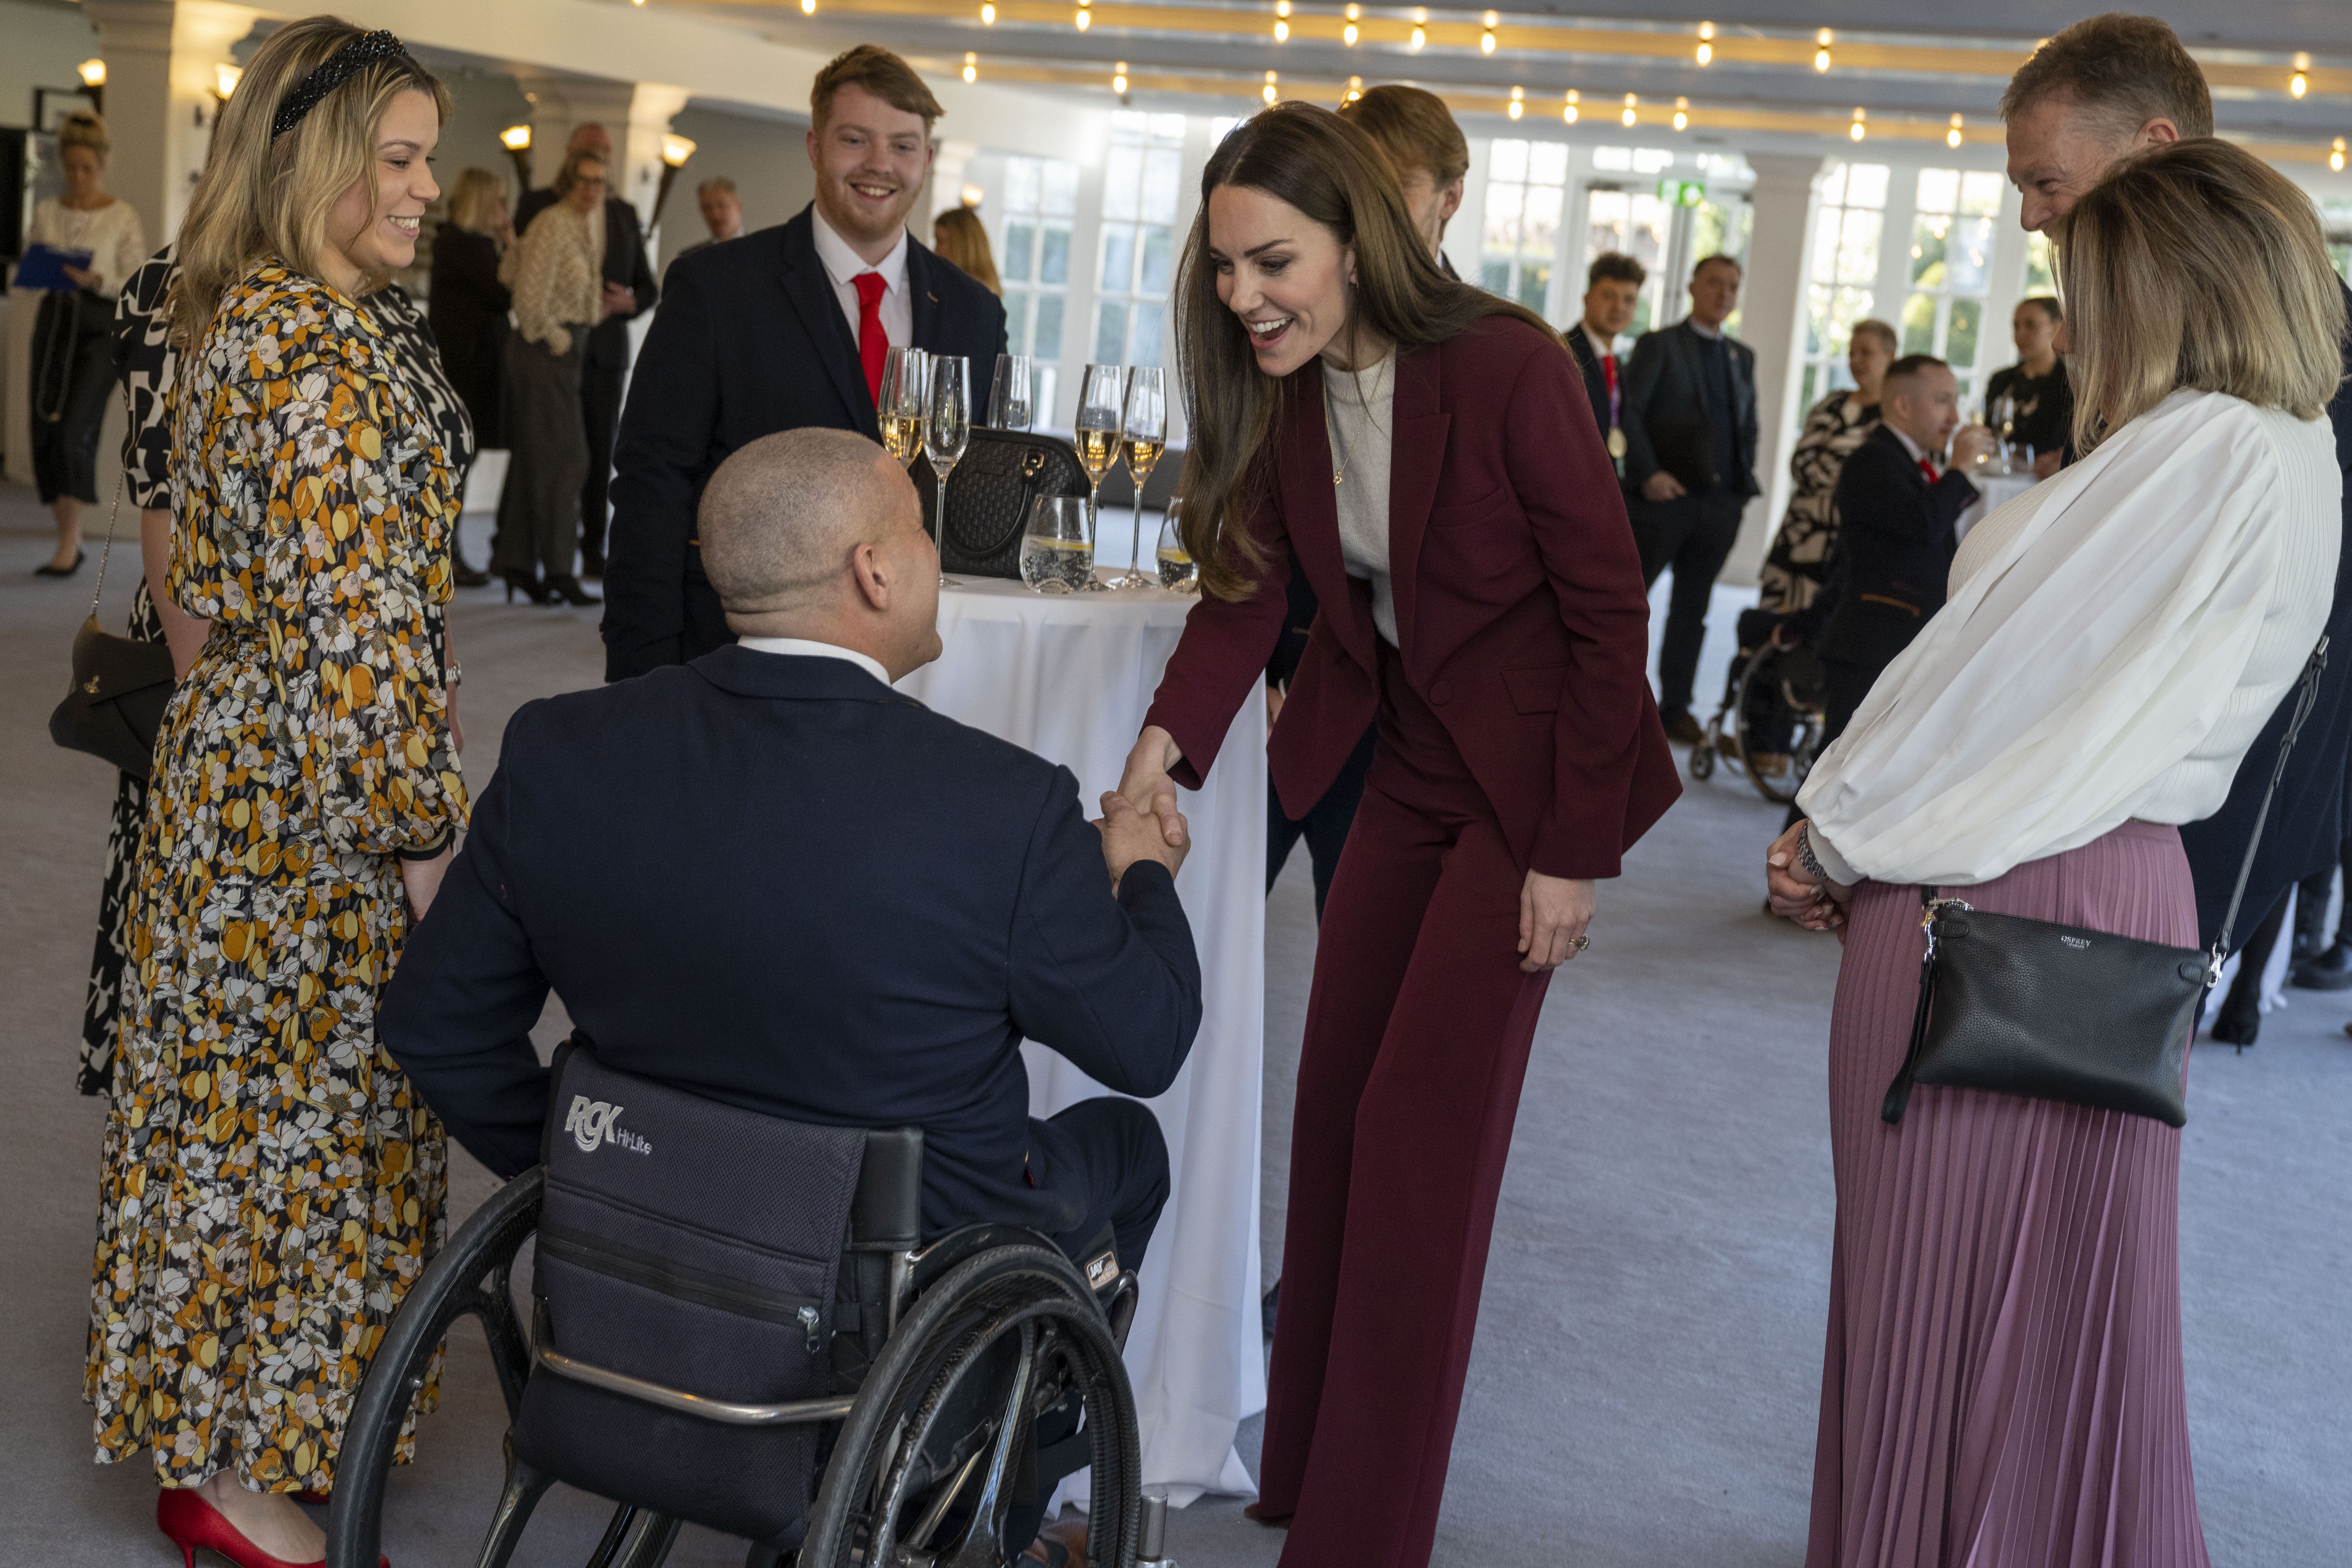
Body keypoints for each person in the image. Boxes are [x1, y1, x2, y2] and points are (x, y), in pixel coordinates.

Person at [378, 427, 1201, 1559]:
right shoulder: (1000, 812)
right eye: (918, 529)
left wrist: (592, 1169)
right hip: (891, 1302)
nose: (924, 555)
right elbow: (1148, 1038)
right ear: (874, 570)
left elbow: (431, 1021)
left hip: (647, 1269)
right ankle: (983, 1504)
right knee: (1129, 1145)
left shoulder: (564, 751)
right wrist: (1142, 875)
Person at [1115, 104, 1678, 1568]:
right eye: (1226, 266)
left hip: (1531, 784)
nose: (1243, 297)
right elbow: (1242, 597)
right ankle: (1301, 1466)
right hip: (1409, 761)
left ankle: (1364, 1535)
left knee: (1423, 1139)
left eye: (1273, 263)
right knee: (1337, 1109)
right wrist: (1157, 755)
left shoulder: (1504, 366)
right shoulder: (1284, 387)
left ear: (1359, 244)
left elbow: (1607, 606)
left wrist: (1571, 851)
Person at [1770, 137, 2344, 1568]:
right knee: (2057, 1312)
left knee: (1936, 1297)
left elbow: (1990, 687)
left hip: (2002, 887)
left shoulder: (2195, 448)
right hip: (2104, 878)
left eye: (2083, 285)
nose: (2071, 321)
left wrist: (1830, 827)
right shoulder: (2277, 445)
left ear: (2164, 285)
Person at [89, 22, 466, 1567]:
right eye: (397, 156)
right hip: (310, 802)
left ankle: (224, 1453)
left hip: (240, 774)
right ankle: (240, 1480)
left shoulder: (267, 319)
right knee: (299, 1133)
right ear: (311, 159)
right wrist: (434, 848)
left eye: (427, 155)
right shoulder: (311, 357)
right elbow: (360, 639)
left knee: (238, 1121)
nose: (427, 187)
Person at [80, 235, 479, 1102]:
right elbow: (166, 499)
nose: (421, 189)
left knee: (354, 1019)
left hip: (380, 682)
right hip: (253, 688)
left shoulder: (388, 297)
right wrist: (216, 724)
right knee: (243, 1028)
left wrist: (433, 681)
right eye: (398, 158)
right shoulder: (191, 280)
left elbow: (411, 521)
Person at [2004, 12, 2352, 979]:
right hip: (2062, 831)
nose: (2031, 215)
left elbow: (2301, 678)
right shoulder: (2139, 344)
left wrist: (2204, 918)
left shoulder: (2311, 371)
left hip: (2174, 857)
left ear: (2152, 151)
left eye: (2045, 180)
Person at [602, 44, 1007, 680]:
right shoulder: (715, 288)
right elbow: (651, 482)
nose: (880, 165)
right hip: (735, 663)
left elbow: (978, 490)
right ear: (816, 147)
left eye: (903, 145)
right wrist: (640, 671)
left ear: (927, 160)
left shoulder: (975, 314)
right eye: (855, 140)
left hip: (927, 671)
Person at [1809, 354, 1993, 749]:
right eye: (1942, 400)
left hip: (1898, 635)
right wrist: (1958, 470)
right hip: (1873, 638)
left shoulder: (1907, 461)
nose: (1955, 416)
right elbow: (1921, 524)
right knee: (1839, 760)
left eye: (1955, 401)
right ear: (1903, 405)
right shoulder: (1871, 460)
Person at [1620, 254, 1759, 744]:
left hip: (1718, 506)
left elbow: (1747, 427)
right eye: (1714, 284)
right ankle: (1614, 704)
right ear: (1691, 287)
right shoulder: (1659, 345)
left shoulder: (1741, 356)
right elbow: (1628, 413)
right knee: (1627, 605)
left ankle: (1673, 710)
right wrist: (1649, 474)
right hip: (1663, 501)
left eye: (1732, 286)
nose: (1723, 294)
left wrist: (1740, 492)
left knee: (1692, 611)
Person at [515, 122, 657, 579]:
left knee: (593, 455)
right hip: (556, 350)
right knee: (555, 456)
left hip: (602, 353)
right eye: (587, 170)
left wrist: (628, 303)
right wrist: (556, 334)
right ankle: (536, 560)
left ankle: (585, 552)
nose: (595, 186)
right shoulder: (547, 211)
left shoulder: (623, 213)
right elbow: (523, 283)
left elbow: (647, 287)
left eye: (602, 170)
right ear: (570, 167)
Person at [24, 109, 146, 577]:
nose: (77, 177)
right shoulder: (47, 212)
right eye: (70, 167)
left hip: (99, 324)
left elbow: (135, 281)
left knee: (77, 427)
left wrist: (98, 279)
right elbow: (35, 263)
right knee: (47, 426)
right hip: (55, 321)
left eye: (87, 168)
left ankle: (71, 540)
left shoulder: (122, 216)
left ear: (102, 165)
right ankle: (66, 540)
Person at [498, 148, 607, 606]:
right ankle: (561, 570)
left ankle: (517, 562)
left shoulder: (578, 225)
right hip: (545, 353)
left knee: (535, 460)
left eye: (600, 183)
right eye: (583, 180)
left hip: (565, 355)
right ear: (567, 181)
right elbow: (526, 296)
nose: (591, 190)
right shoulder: (552, 222)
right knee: (569, 460)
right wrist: (555, 336)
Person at [1758, 320, 1897, 615]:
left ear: (1891, 357)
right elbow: (1801, 465)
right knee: (1779, 625)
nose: (1855, 361)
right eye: (1851, 353)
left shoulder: (1898, 417)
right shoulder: (1831, 405)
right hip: (1803, 534)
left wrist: (1844, 479)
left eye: (1866, 353)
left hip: (1854, 541)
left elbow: (1891, 481)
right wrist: (1852, 481)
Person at [427, 165, 513, 587]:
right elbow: (503, 295)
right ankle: (447, 554)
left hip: (469, 366)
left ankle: (450, 551)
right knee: (454, 463)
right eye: (498, 200)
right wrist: (512, 243)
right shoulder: (464, 245)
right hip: (464, 370)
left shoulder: (465, 244)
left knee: (459, 462)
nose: (504, 209)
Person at [1335, 83, 1467, 277]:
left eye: (1396, 188)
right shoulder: (1311, 300)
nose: (1369, 208)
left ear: (1451, 198)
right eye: (1356, 188)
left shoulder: (1471, 309)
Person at [1562, 251, 1646, 468]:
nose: (1619, 307)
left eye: (1629, 300)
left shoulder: (1615, 363)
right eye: (1609, 296)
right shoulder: (1563, 353)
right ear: (1587, 298)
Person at [1983, 296, 2072, 475]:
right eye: (2016, 326)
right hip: (2000, 474)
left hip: (2049, 479)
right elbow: (1989, 434)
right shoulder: (2001, 380)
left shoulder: (2071, 383)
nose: (2020, 334)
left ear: (2056, 328)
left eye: (2031, 325)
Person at [671, 173, 744, 265]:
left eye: (722, 205)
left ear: (739, 206)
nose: (715, 215)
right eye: (707, 208)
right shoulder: (689, 259)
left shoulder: (759, 251)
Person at [930, 203, 1002, 293]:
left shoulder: (972, 290)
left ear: (960, 245)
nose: (936, 250)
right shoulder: (982, 285)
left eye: (940, 241)